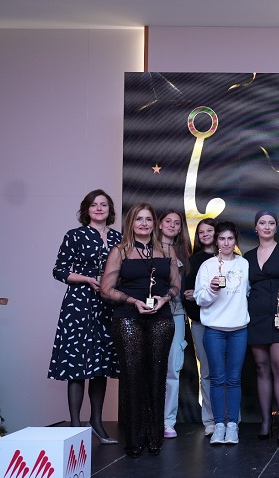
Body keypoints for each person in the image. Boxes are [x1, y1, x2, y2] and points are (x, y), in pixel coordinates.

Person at [101, 203, 180, 457]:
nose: (144, 224)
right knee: (133, 377)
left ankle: (154, 437)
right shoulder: (120, 250)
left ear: (154, 223)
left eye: (148, 219)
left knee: (157, 376)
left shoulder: (167, 249)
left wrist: (164, 299)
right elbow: (106, 289)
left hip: (161, 317)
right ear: (131, 223)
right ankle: (134, 439)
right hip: (128, 317)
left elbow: (176, 285)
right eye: (139, 219)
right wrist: (133, 301)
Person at [49, 189, 122, 444]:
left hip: (107, 306)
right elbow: (59, 271)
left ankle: (96, 423)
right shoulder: (75, 235)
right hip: (79, 304)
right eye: (94, 205)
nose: (99, 208)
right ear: (86, 210)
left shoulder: (118, 238)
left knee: (100, 365)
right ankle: (75, 427)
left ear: (110, 210)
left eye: (103, 204)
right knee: (76, 365)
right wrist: (87, 279)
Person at [244, 210, 279, 447]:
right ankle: (266, 421)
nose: (267, 226)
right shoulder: (247, 257)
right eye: (262, 223)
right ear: (256, 228)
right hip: (256, 317)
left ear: (276, 228)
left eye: (271, 223)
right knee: (261, 368)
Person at [194, 221, 250, 445]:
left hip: (239, 330)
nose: (226, 243)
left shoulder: (244, 264)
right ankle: (218, 426)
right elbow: (199, 299)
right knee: (217, 379)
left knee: (234, 379)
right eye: (222, 239)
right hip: (214, 330)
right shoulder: (207, 266)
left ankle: (232, 426)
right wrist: (212, 289)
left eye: (230, 239)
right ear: (216, 241)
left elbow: (248, 293)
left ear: (235, 240)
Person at [158, 210, 191, 439]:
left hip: (177, 314)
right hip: (152, 314)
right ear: (159, 224)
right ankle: (149, 418)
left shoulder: (183, 255)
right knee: (151, 368)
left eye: (176, 223)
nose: (172, 225)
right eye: (168, 221)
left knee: (173, 368)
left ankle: (168, 421)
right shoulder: (147, 249)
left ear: (180, 229)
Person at [183, 218, 217, 436]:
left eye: (209, 230)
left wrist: (199, 295)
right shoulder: (193, 260)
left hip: (226, 324)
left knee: (226, 374)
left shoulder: (231, 259)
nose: (205, 234)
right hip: (200, 322)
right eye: (201, 231)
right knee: (206, 372)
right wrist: (198, 300)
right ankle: (210, 420)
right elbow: (187, 295)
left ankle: (229, 419)